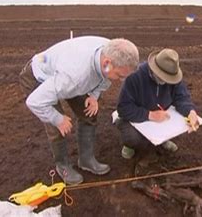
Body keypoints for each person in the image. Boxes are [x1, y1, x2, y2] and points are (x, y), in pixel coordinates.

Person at [19, 35, 139, 184]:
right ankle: (62, 165)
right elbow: (34, 102)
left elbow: (104, 78)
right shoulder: (73, 77)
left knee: (88, 113)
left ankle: (86, 160)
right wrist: (58, 119)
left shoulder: (111, 50)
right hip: (40, 76)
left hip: (66, 72)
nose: (121, 80)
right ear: (107, 63)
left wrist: (94, 96)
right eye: (120, 76)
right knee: (57, 128)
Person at [116, 48, 201, 159]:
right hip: (136, 117)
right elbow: (123, 108)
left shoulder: (173, 75)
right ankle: (129, 146)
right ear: (154, 69)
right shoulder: (135, 76)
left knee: (176, 123)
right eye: (164, 77)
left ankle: (162, 140)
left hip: (162, 116)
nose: (167, 81)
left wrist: (191, 112)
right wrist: (149, 115)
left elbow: (182, 97)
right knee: (133, 138)